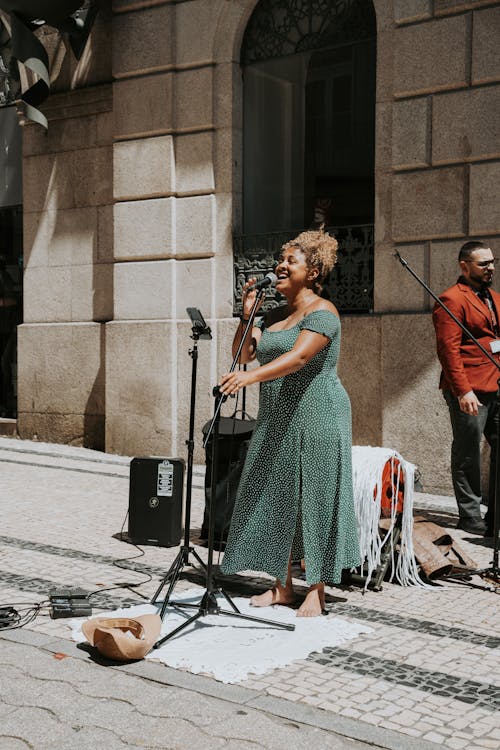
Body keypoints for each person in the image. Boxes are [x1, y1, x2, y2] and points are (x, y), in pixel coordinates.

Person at [219, 227, 360, 617]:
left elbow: (299, 358)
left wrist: (248, 379)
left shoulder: (323, 313)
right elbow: (243, 354)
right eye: (280, 260)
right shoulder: (275, 314)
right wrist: (247, 317)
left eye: (290, 261)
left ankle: (317, 588)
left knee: (314, 497)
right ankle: (282, 586)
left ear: (312, 272)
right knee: (277, 494)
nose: (280, 266)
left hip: (318, 413)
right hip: (278, 414)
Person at [432, 240, 499, 536]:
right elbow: (448, 351)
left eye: (492, 262)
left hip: (496, 383)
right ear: (464, 266)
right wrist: (462, 391)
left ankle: (495, 515)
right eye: (483, 263)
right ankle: (470, 515)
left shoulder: (494, 297)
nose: (491, 268)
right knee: (468, 451)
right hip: (470, 388)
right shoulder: (451, 299)